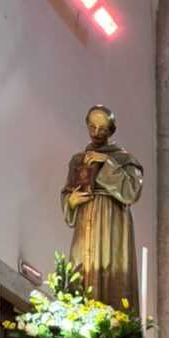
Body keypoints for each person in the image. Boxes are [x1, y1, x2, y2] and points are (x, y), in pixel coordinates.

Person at [61, 105, 143, 309]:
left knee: (110, 271)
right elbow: (67, 193)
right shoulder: (78, 160)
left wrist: (108, 162)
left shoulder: (125, 160)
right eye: (92, 127)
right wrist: (71, 201)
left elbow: (132, 192)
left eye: (102, 129)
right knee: (82, 271)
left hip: (112, 222)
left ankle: (114, 317)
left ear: (111, 131)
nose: (96, 133)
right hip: (85, 221)